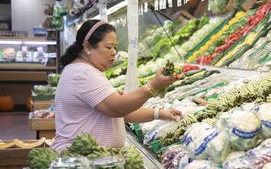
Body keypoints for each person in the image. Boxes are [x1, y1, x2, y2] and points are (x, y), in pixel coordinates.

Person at [52, 19, 182, 152]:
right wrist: (152, 86)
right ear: (87, 47)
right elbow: (116, 108)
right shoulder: (83, 73)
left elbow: (121, 113)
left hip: (90, 159)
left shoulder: (85, 70)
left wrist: (159, 114)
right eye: (108, 47)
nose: (114, 52)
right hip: (80, 162)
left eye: (115, 47)